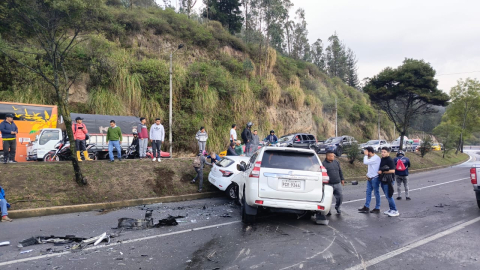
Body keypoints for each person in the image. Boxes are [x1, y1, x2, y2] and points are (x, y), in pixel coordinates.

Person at [358, 147, 381, 214]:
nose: (365, 153)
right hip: (370, 178)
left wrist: (365, 155)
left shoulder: (376, 158)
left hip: (375, 178)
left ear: (369, 152)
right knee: (368, 192)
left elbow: (365, 162)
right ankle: (366, 206)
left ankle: (377, 207)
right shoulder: (372, 158)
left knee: (376, 193)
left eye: (366, 151)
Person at [378, 147, 400, 217]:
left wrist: (382, 171)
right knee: (387, 196)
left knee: (389, 195)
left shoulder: (390, 160)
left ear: (388, 153)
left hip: (389, 180)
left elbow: (393, 171)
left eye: (384, 152)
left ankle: (395, 210)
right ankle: (391, 209)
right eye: (382, 152)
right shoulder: (382, 159)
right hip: (383, 179)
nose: (383, 153)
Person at [323, 150, 345, 215]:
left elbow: (340, 171)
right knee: (328, 198)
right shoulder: (323, 164)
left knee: (340, 197)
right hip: (328, 184)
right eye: (332, 156)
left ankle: (337, 207)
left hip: (337, 183)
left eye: (333, 156)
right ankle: (328, 210)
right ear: (328, 156)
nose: (333, 157)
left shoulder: (336, 162)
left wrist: (342, 179)